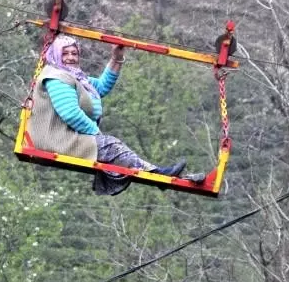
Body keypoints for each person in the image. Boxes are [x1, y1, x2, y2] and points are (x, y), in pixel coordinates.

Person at [27, 34, 206, 196]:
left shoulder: (77, 78)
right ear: (56, 55)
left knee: (112, 147)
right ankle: (158, 175)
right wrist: (96, 133)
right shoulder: (57, 78)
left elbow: (102, 87)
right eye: (65, 53)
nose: (71, 57)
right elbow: (71, 114)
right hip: (57, 139)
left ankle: (160, 174)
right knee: (111, 145)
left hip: (69, 137)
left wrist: (116, 58)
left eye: (74, 53)